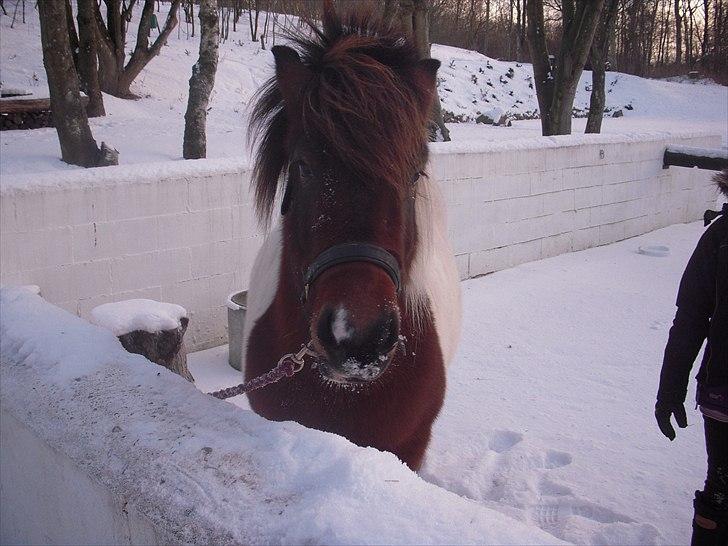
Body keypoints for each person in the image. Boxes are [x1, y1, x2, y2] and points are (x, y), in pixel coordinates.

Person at [656, 170, 728, 546]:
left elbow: (688, 320)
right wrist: (670, 389)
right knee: (720, 491)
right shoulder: (719, 238)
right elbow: (690, 319)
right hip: (722, 394)